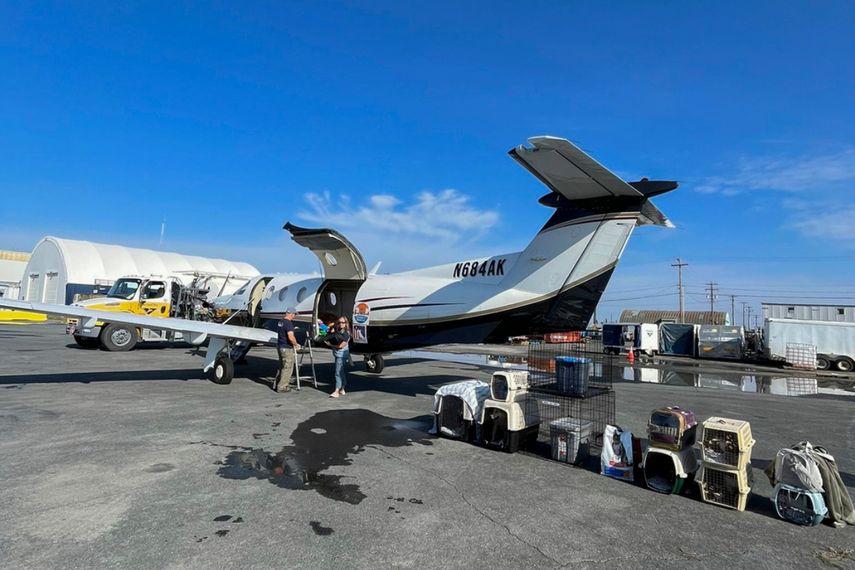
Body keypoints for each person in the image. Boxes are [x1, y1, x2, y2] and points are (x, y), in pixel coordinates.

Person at [275, 307, 300, 393]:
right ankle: (282, 386)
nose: (294, 316)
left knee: (282, 366)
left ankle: (277, 384)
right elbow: (291, 337)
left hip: (280, 346)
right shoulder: (288, 324)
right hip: (286, 348)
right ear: (291, 314)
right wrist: (296, 344)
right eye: (294, 314)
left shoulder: (280, 322)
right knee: (288, 367)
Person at [325, 316, 351, 398]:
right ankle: (342, 388)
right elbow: (331, 332)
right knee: (341, 372)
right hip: (338, 354)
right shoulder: (339, 331)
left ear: (346, 323)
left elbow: (341, 346)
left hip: (341, 355)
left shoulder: (346, 334)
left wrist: (330, 345)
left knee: (337, 373)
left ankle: (336, 391)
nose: (340, 324)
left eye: (342, 322)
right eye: (339, 322)